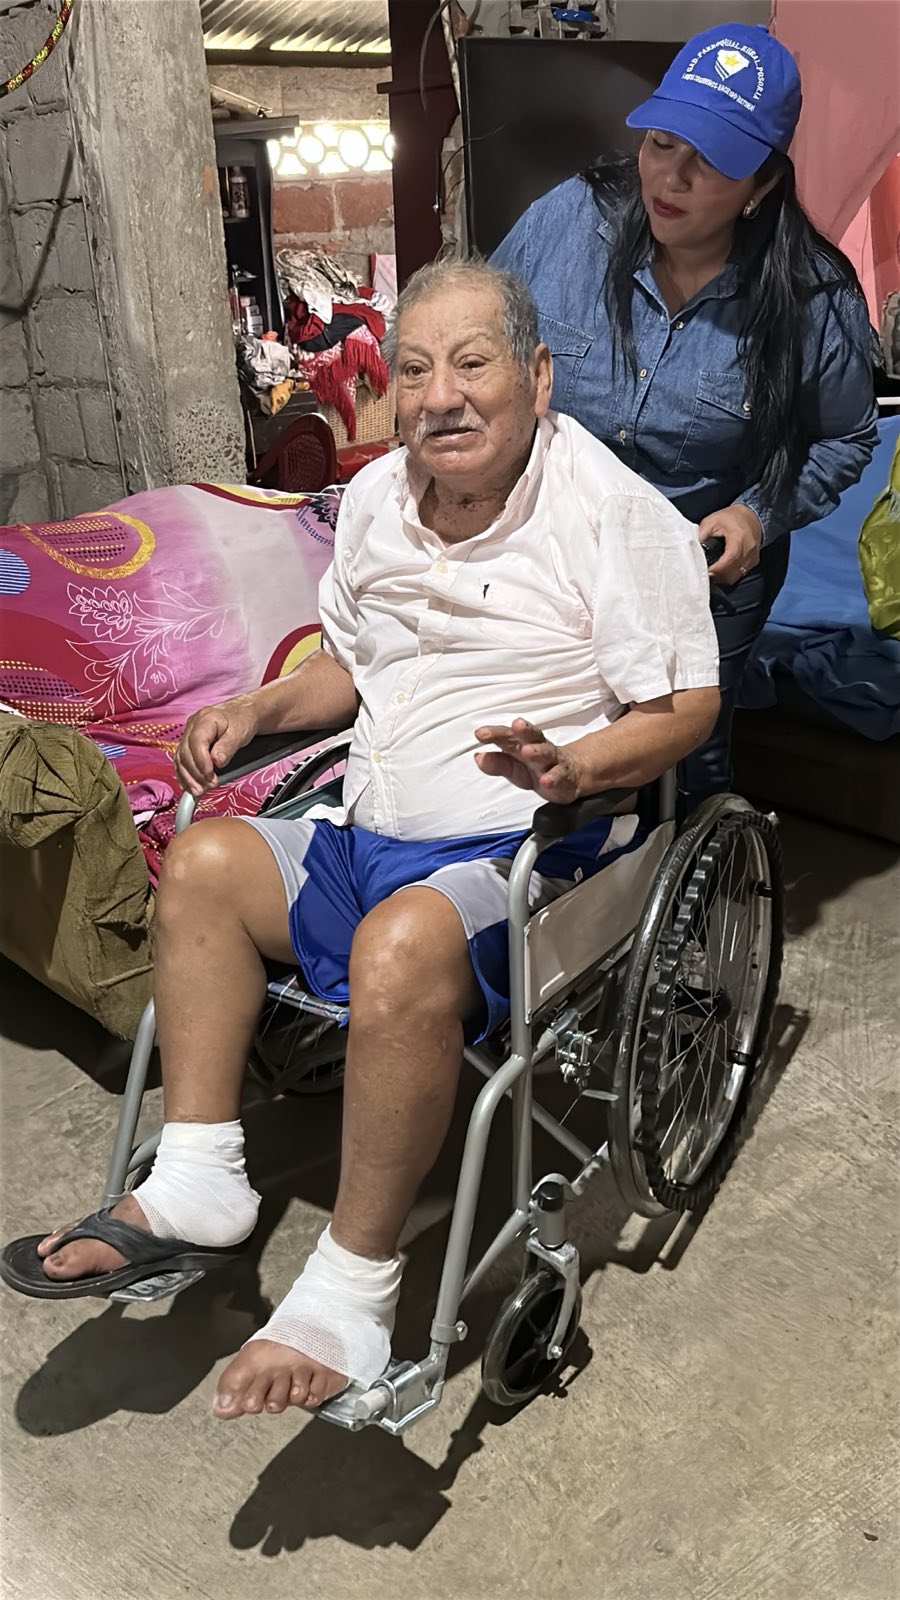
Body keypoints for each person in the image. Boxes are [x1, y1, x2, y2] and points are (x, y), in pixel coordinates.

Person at [1, 261, 720, 1419]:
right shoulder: (378, 496)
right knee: (205, 865)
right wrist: (255, 709)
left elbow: (685, 708)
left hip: (532, 851)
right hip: (369, 832)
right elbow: (348, 667)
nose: (441, 395)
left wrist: (577, 766)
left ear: (537, 377)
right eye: (416, 369)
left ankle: (352, 1285)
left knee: (399, 945)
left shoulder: (616, 515)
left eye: (473, 363)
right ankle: (196, 1180)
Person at [491, 21, 878, 805]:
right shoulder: (568, 224)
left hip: (702, 570)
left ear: (761, 184)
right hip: (556, 551)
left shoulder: (812, 297)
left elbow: (846, 437)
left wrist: (758, 515)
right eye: (662, 144)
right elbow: (478, 333)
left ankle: (701, 875)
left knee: (685, 766)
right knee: (545, 741)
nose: (672, 178)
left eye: (712, 162)